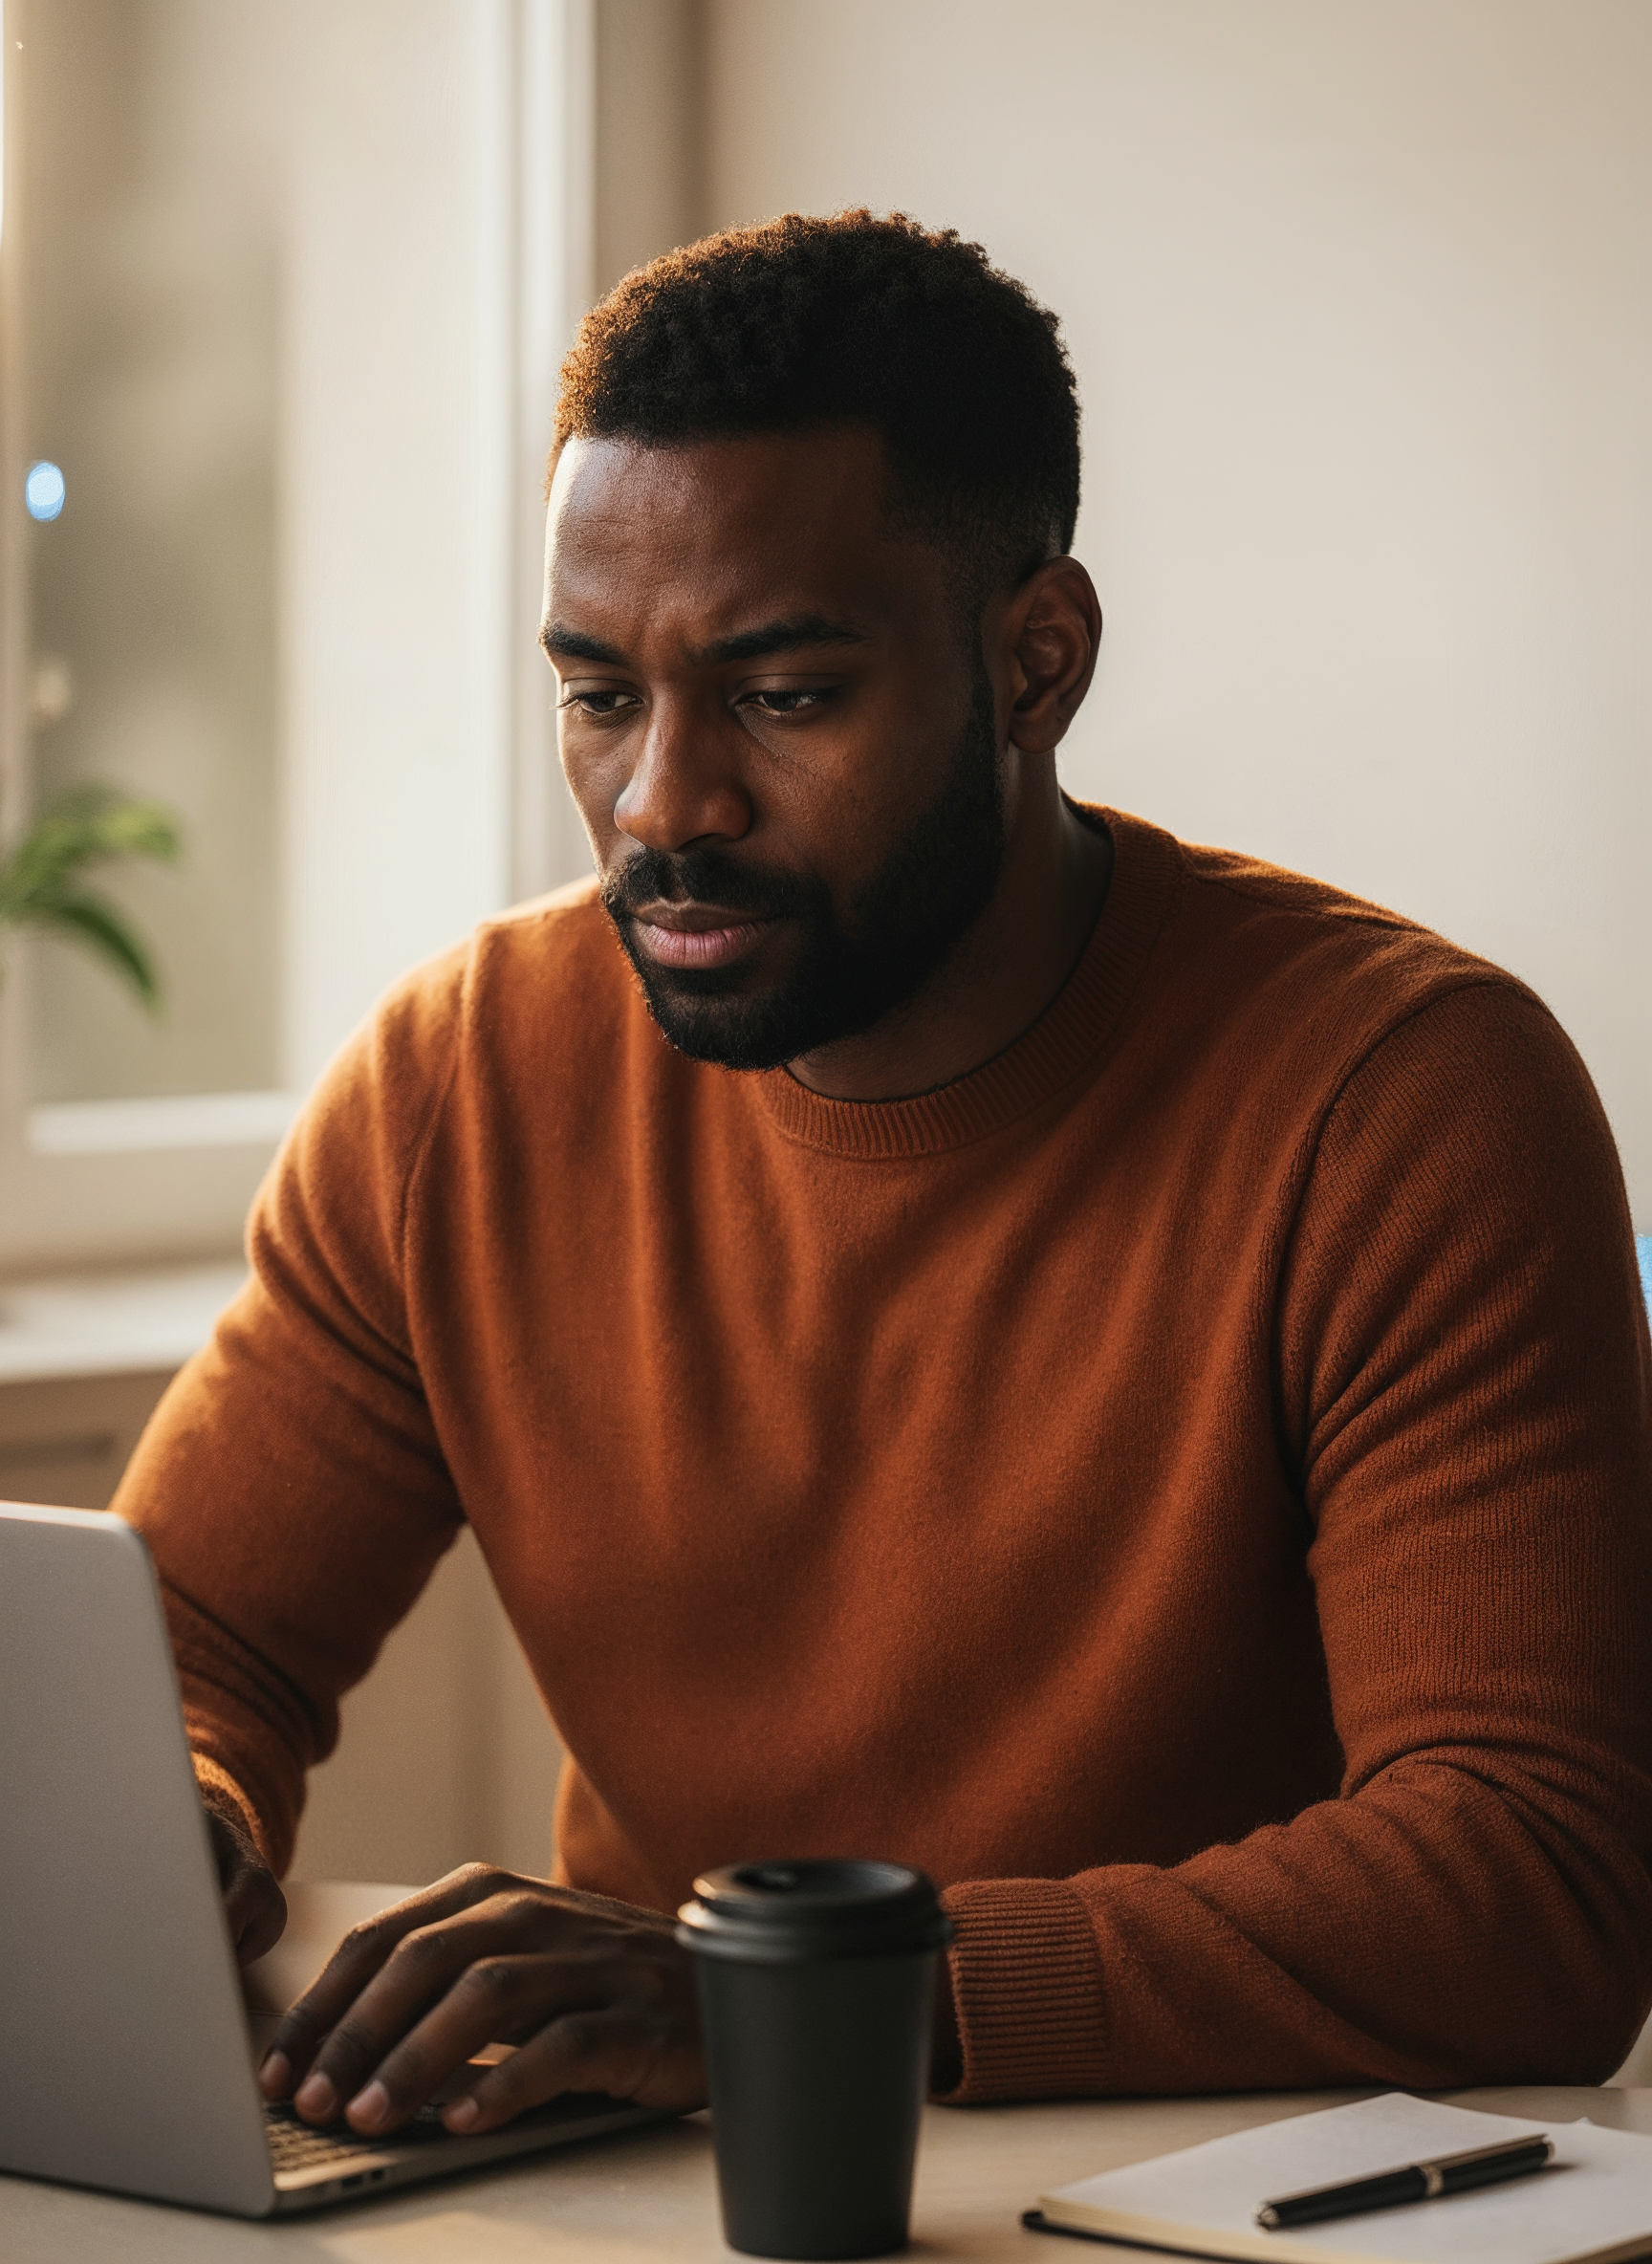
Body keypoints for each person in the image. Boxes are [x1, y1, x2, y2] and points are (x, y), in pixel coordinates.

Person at [115, 210, 1652, 2142]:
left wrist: (811, 1995)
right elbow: (190, 1650)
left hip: (1216, 2193)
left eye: (781, 693)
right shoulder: (458, 1084)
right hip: (681, 2187)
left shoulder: (1407, 1103)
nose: (664, 801)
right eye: (600, 692)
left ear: (1035, 662)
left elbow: (1534, 1888)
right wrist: (172, 1822)